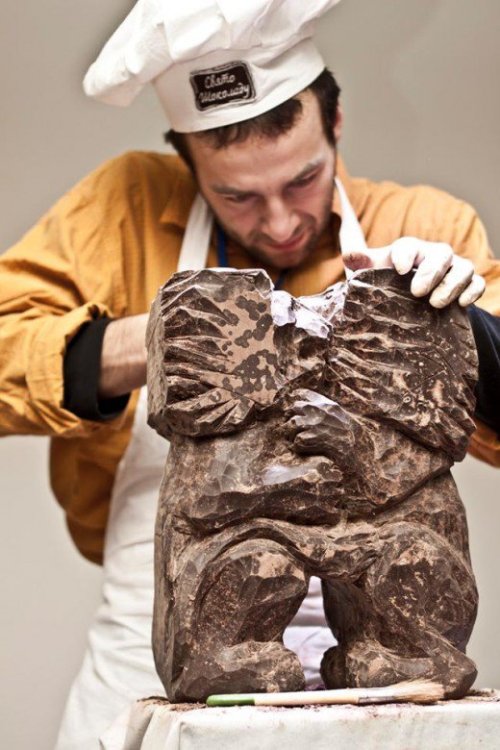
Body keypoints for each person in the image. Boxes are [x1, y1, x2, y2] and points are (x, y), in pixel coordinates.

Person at [0, 1, 499, 747]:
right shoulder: (126, 204)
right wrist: (160, 344)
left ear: (335, 125)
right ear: (185, 159)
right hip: (165, 645)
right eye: (236, 196)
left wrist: (460, 332)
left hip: (387, 667)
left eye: (302, 182)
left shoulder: (421, 220)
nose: (278, 223)